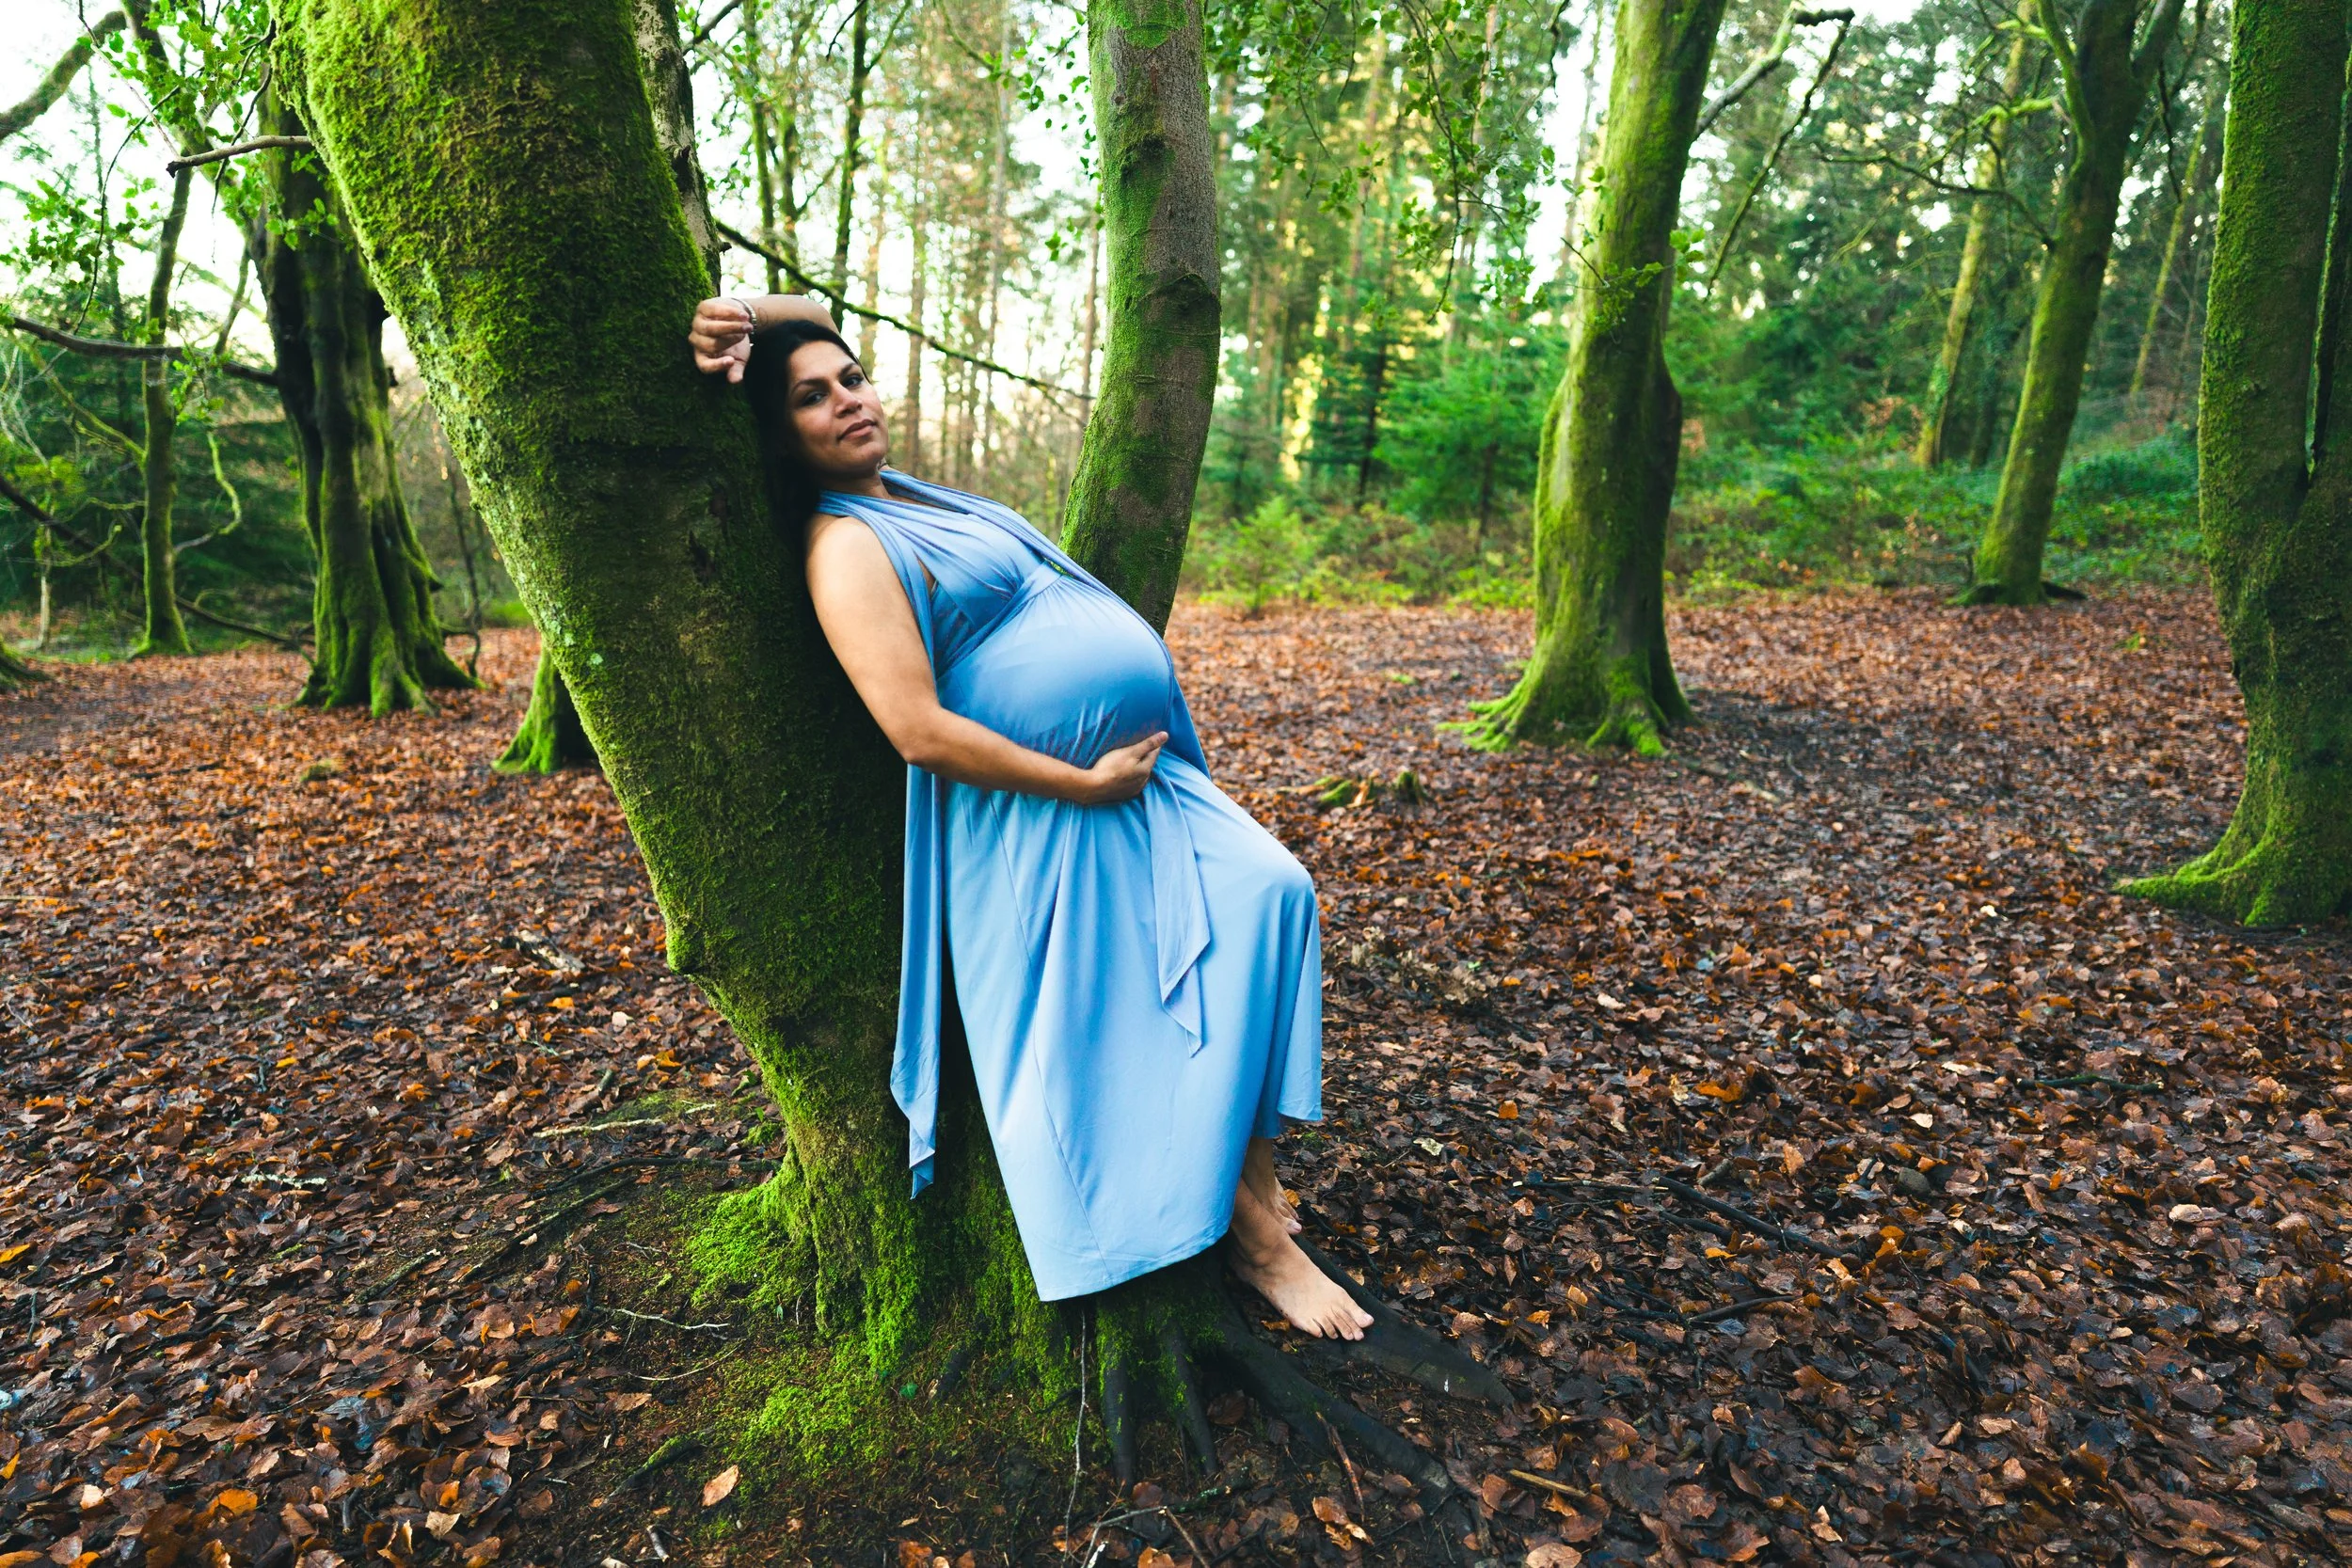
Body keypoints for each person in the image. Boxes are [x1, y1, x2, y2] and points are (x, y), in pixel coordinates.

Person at [690, 293, 1373, 1339]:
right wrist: (1083, 783)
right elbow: (916, 728)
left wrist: (744, 315)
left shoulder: (914, 499)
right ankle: (1259, 1241)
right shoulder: (845, 548)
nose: (846, 402)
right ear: (780, 433)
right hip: (1044, 814)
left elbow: (809, 307)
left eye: (851, 378)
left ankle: (1255, 1183)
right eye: (810, 398)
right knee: (1159, 992)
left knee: (1272, 893)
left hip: (1139, 787)